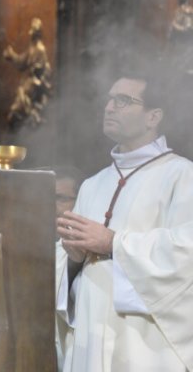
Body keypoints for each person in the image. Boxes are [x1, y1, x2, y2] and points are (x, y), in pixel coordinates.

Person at [55, 69, 193, 370]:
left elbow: (187, 252)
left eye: (123, 100)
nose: (108, 108)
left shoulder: (182, 176)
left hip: (145, 343)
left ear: (153, 116)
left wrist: (113, 242)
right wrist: (74, 261)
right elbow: (63, 265)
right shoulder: (93, 184)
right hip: (90, 336)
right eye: (109, 100)